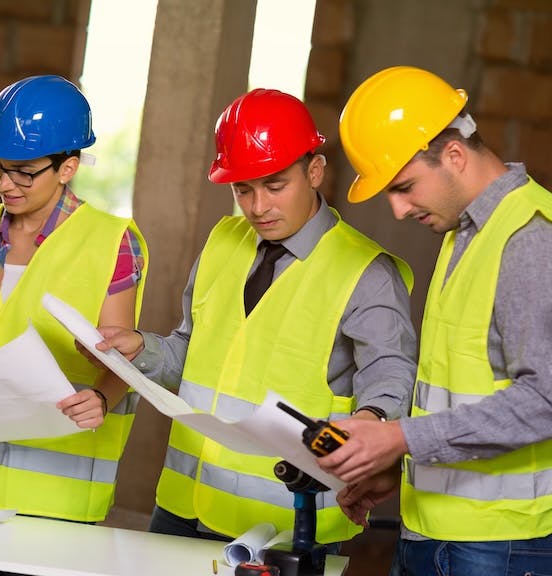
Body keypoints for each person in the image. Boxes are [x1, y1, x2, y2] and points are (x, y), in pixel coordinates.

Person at [93, 88, 418, 546]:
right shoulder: (224, 241)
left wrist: (370, 423)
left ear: (315, 171)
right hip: (182, 510)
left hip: (290, 526)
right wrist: (143, 350)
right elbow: (193, 356)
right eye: (242, 189)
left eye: (275, 186)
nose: (258, 206)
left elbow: (390, 376)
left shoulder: (367, 272)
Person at [318, 66, 552, 576]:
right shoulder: (462, 232)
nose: (399, 210)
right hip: (433, 531)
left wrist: (399, 439)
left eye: (404, 187)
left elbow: (544, 400)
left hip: (498, 546)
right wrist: (401, 471)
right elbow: (459, 391)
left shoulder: (529, 238)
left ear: (453, 154)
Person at [0, 75, 148, 576]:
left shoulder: (113, 241)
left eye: (24, 173)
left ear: (67, 167)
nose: (5, 184)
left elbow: (119, 357)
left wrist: (104, 398)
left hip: (54, 498)